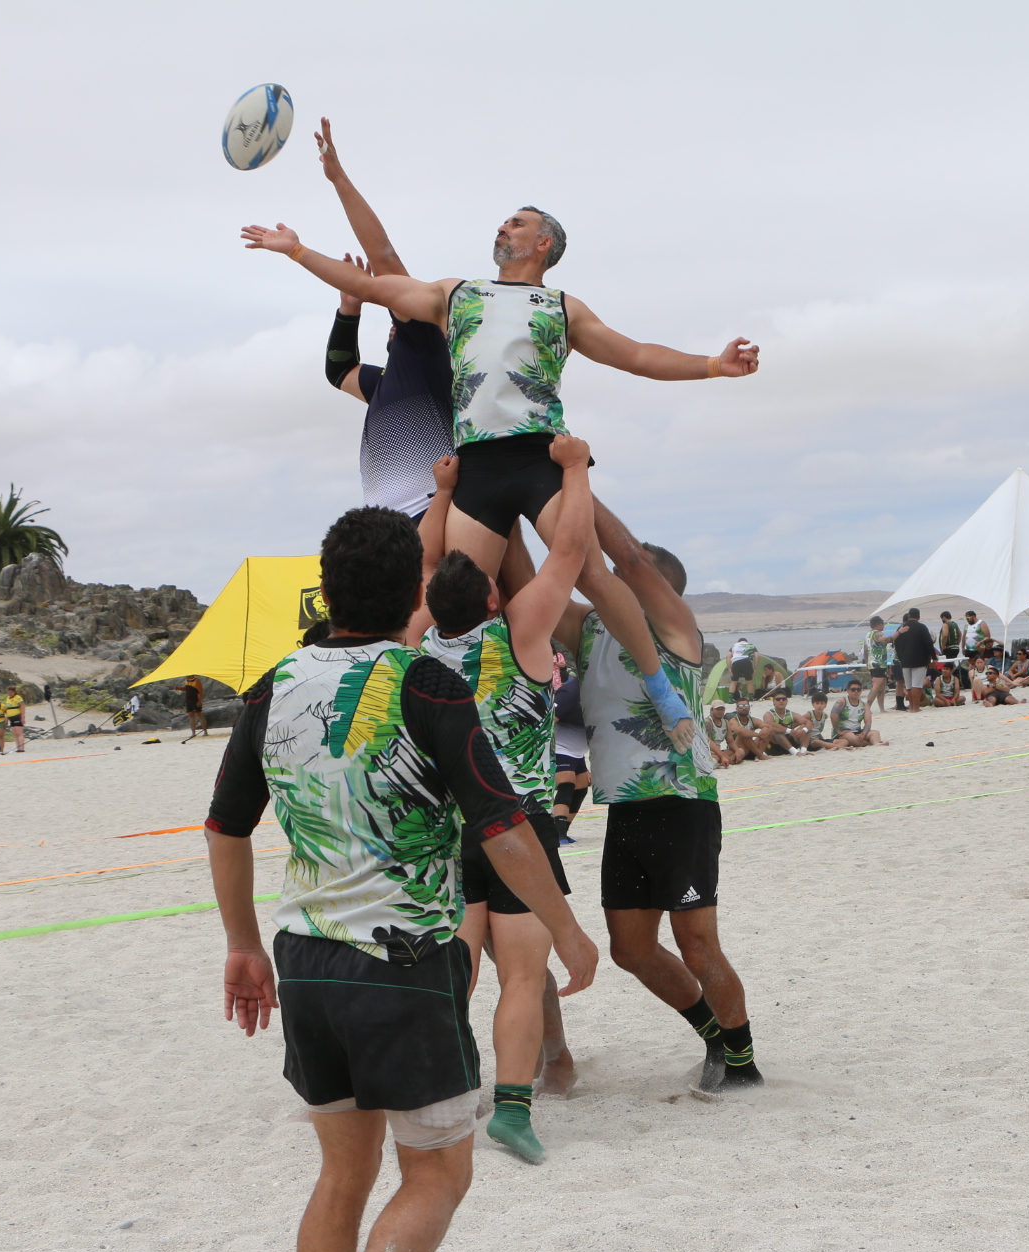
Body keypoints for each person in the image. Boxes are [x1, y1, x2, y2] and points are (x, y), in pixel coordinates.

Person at [203, 505, 598, 1252]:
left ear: (325, 591)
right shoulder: (426, 683)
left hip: (306, 961)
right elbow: (502, 830)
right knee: (438, 1173)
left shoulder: (272, 687)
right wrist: (568, 929)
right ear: (413, 593)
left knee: (343, 1175)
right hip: (404, 961)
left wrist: (243, 944)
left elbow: (224, 827)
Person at [245, 193, 759, 758]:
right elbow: (372, 284)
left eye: (517, 222)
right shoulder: (456, 295)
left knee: (591, 574)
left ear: (544, 243)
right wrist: (297, 251)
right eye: (505, 220)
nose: (503, 226)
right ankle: (396, 699)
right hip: (478, 464)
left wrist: (714, 365)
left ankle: (659, 687)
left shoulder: (564, 308)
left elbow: (635, 355)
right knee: (447, 594)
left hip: (543, 457)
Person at [410, 438, 592, 1165]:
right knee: (521, 974)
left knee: (457, 974)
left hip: (449, 830)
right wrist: (573, 469)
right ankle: (513, 1111)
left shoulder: (419, 647)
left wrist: (443, 493)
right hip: (520, 825)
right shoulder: (521, 633)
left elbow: (428, 562)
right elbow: (568, 552)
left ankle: (451, 1092)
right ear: (492, 597)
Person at [548, 507, 761, 1093]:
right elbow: (537, 580)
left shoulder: (676, 630)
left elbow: (632, 560)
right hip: (625, 809)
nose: (610, 580)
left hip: (682, 803)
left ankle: (743, 1062)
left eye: (621, 576)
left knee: (697, 944)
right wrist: (525, 501)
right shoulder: (591, 630)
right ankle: (713, 1037)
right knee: (631, 950)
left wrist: (579, 485)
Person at [315, 121, 455, 521]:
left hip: (431, 512)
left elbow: (385, 258)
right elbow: (339, 370)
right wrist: (350, 308)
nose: (395, 323)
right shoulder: (387, 382)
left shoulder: (427, 351)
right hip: (387, 526)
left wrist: (339, 179)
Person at [552, 676, 591, 844]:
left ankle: (562, 830)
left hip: (578, 751)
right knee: (566, 784)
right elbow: (549, 721)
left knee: (581, 788)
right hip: (560, 746)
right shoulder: (571, 692)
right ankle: (558, 833)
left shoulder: (600, 689)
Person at [891, 608, 936, 712]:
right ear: (918, 617)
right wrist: (934, 657)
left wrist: (901, 657)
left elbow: (896, 644)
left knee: (909, 686)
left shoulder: (901, 628)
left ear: (909, 616)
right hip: (919, 660)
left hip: (905, 661)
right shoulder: (921, 627)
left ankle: (911, 706)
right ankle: (916, 707)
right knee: (917, 685)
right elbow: (928, 643)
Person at [858, 616, 892, 715]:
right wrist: (899, 633)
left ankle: (882, 708)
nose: (883, 626)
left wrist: (866, 663)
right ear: (879, 624)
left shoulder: (868, 635)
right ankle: (867, 707)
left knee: (882, 686)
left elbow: (865, 650)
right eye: (882, 624)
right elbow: (886, 640)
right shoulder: (877, 634)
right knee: (877, 685)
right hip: (878, 663)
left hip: (874, 663)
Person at [833, 681, 884, 745]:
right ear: (848, 691)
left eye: (858, 689)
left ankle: (876, 743)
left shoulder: (864, 705)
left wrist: (864, 733)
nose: (856, 691)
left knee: (875, 733)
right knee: (852, 738)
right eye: (853, 689)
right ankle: (869, 743)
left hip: (857, 731)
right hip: (844, 732)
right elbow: (833, 715)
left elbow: (868, 722)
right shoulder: (842, 701)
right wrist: (838, 731)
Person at [763, 691, 812, 756]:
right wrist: (789, 731)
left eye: (783, 699)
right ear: (774, 701)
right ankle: (795, 752)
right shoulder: (769, 714)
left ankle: (803, 750)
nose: (781, 701)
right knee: (776, 730)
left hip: (790, 742)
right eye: (778, 699)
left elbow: (809, 722)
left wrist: (804, 730)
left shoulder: (791, 714)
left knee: (805, 727)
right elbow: (770, 724)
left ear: (787, 701)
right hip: (774, 747)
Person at [1, 686, 28, 752]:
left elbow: (22, 706)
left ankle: (21, 748)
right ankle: (18, 748)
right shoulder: (8, 698)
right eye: (9, 692)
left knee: (19, 733)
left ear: (14, 692)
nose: (10, 693)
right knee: (15, 733)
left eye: (11, 692)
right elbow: (7, 709)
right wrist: (7, 719)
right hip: (11, 718)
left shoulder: (18, 697)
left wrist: (22, 717)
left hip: (17, 716)